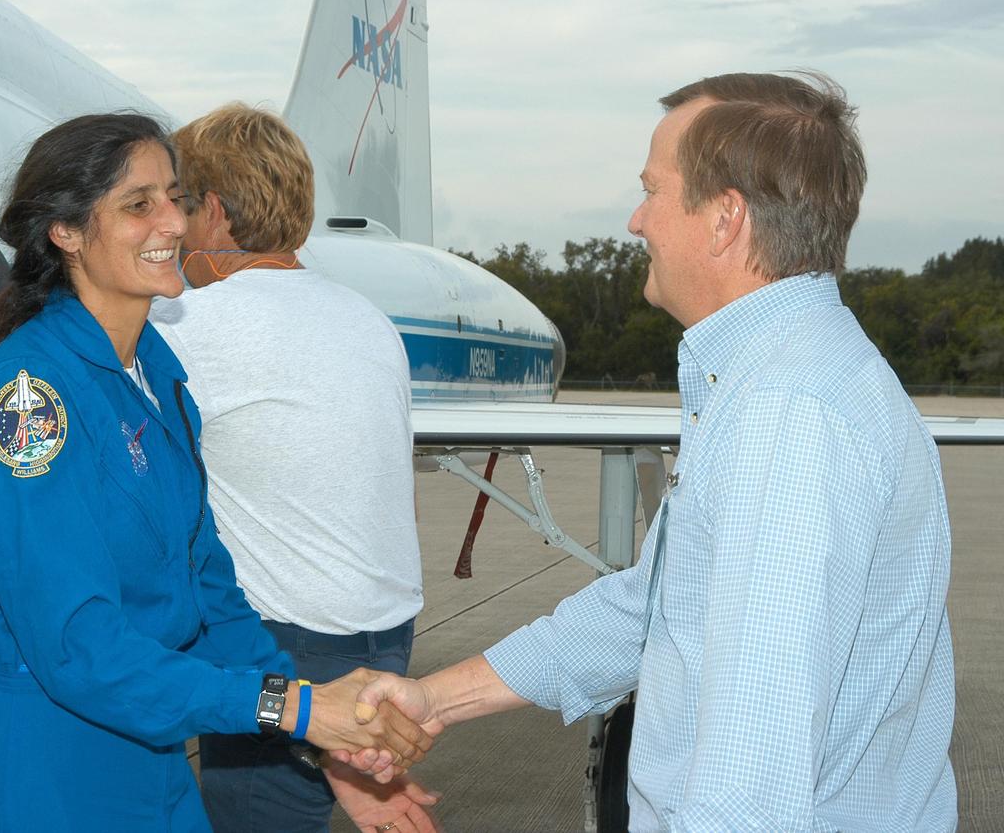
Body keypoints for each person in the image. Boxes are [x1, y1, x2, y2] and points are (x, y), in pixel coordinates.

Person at [350, 72, 957, 831]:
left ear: (724, 218)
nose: (637, 220)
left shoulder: (787, 420)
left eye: (654, 191)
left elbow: (748, 787)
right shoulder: (779, 380)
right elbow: (655, 609)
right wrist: (436, 697)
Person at [0, 104, 433, 832]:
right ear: (67, 231)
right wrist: (295, 706)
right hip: (45, 773)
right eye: (138, 205)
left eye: (174, 197)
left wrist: (321, 728)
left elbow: (212, 598)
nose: (172, 223)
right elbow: (78, 646)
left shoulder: (158, 379)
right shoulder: (29, 403)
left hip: (153, 761)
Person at [152, 103, 426, 832]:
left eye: (177, 205)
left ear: (211, 213)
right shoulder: (367, 319)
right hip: (386, 634)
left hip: (285, 643)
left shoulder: (191, 324)